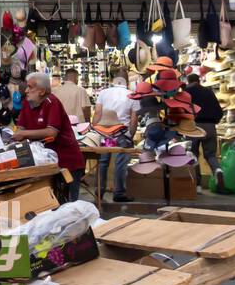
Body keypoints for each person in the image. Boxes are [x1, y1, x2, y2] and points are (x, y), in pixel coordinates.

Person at [12, 72, 86, 202]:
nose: (27, 90)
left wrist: (23, 134)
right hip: (45, 162)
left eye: (30, 87)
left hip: (66, 161)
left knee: (68, 205)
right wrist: (17, 134)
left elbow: (52, 132)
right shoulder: (27, 104)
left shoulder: (52, 102)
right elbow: (21, 128)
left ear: (41, 91)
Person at [93, 72, 140, 202]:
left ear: (114, 80)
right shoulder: (132, 95)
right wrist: (131, 134)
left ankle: (99, 191)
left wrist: (94, 129)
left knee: (102, 162)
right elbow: (134, 118)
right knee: (121, 162)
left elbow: (97, 112)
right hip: (122, 133)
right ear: (127, 81)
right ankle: (119, 193)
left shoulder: (103, 93)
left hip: (104, 133)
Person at [186, 71, 224, 177]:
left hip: (193, 127)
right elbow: (219, 112)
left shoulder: (186, 92)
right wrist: (212, 122)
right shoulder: (208, 91)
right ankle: (217, 170)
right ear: (198, 81)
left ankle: (197, 184)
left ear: (188, 82)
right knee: (211, 155)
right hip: (210, 126)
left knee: (192, 155)